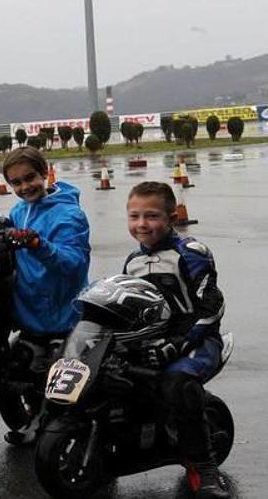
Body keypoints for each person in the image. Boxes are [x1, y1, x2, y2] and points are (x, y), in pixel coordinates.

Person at [122, 181, 229, 499]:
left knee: (177, 382)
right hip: (153, 341)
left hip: (200, 340)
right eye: (134, 216)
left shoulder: (191, 253)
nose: (142, 224)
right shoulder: (132, 261)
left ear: (171, 217)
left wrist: (181, 342)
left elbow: (212, 307)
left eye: (151, 216)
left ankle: (205, 468)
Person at [0, 146, 91, 444]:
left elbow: (73, 265)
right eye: (16, 183)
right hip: (30, 317)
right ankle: (35, 421)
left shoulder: (69, 214)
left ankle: (61, 432)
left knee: (56, 382)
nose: (25, 187)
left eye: (30, 178)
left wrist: (39, 245)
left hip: (63, 316)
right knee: (18, 371)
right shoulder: (17, 211)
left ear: (45, 172)